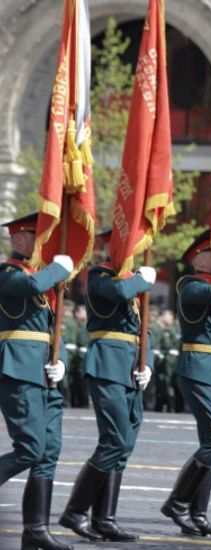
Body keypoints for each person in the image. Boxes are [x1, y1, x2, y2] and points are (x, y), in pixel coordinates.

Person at [59, 228, 155, 542]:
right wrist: (142, 279)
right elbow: (119, 293)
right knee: (113, 440)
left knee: (123, 447)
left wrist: (148, 364)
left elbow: (144, 331)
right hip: (109, 365)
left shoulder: (132, 281)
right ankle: (75, 512)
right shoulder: (100, 276)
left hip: (132, 369)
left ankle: (105, 518)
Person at [160, 229, 211, 537]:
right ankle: (177, 502)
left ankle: (198, 513)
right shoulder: (190, 284)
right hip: (197, 369)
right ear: (198, 258)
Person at [0, 213, 74, 550]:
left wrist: (60, 362)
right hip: (18, 367)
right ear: (18, 239)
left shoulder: (44, 278)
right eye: (36, 235)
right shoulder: (9, 272)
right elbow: (30, 287)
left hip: (45, 371)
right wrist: (59, 268)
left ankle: (36, 531)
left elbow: (50, 328)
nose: (42, 241)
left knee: (48, 451)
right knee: (30, 447)